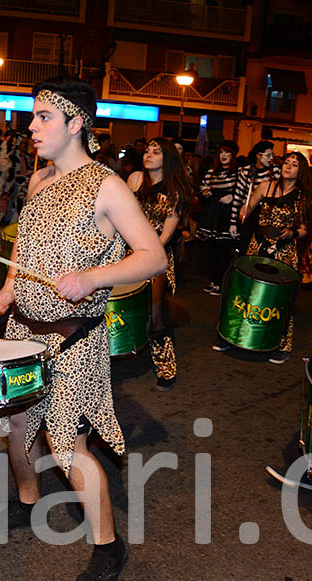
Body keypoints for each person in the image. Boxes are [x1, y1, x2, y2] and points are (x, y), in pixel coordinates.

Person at [0, 75, 166, 581]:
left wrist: (91, 278)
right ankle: (25, 501)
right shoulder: (40, 182)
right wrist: (10, 283)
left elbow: (153, 255)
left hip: (74, 336)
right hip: (24, 328)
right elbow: (24, 244)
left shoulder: (107, 185)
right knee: (18, 429)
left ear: (76, 122)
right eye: (33, 115)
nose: (32, 126)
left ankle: (109, 545)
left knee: (67, 444)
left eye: (44, 117)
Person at [236, 152, 312, 364]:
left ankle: (281, 344)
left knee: (280, 297)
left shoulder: (302, 197)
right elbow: (248, 209)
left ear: (301, 172)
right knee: (248, 291)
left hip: (284, 250)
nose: (288, 166)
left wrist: (293, 234)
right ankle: (238, 335)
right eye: (286, 162)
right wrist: (243, 210)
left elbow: (305, 229)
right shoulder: (265, 186)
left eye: (294, 164)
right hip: (258, 244)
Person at [127, 137, 191, 391]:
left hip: (156, 256)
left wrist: (144, 254)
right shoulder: (134, 179)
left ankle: (166, 367)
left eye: (156, 151)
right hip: (126, 252)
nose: (149, 155)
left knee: (155, 316)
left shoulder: (175, 190)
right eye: (147, 151)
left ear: (167, 157)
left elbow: (165, 235)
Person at [195, 140, 239, 296]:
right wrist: (205, 193)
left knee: (224, 251)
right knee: (212, 250)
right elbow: (202, 191)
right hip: (212, 214)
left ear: (233, 155)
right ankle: (213, 281)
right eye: (221, 152)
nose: (224, 156)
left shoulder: (237, 172)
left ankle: (222, 283)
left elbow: (243, 192)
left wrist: (233, 196)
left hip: (228, 215)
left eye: (227, 152)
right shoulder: (211, 172)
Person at [0, 129, 33, 255]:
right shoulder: (6, 162)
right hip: (1, 201)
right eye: (23, 143)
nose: (25, 146)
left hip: (13, 200)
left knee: (7, 227)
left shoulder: (23, 159)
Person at [233, 141, 280, 254]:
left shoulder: (275, 171)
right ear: (258, 155)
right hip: (248, 211)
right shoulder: (245, 171)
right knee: (245, 245)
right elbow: (238, 197)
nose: (270, 158)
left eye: (272, 155)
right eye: (268, 155)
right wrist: (233, 223)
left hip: (267, 214)